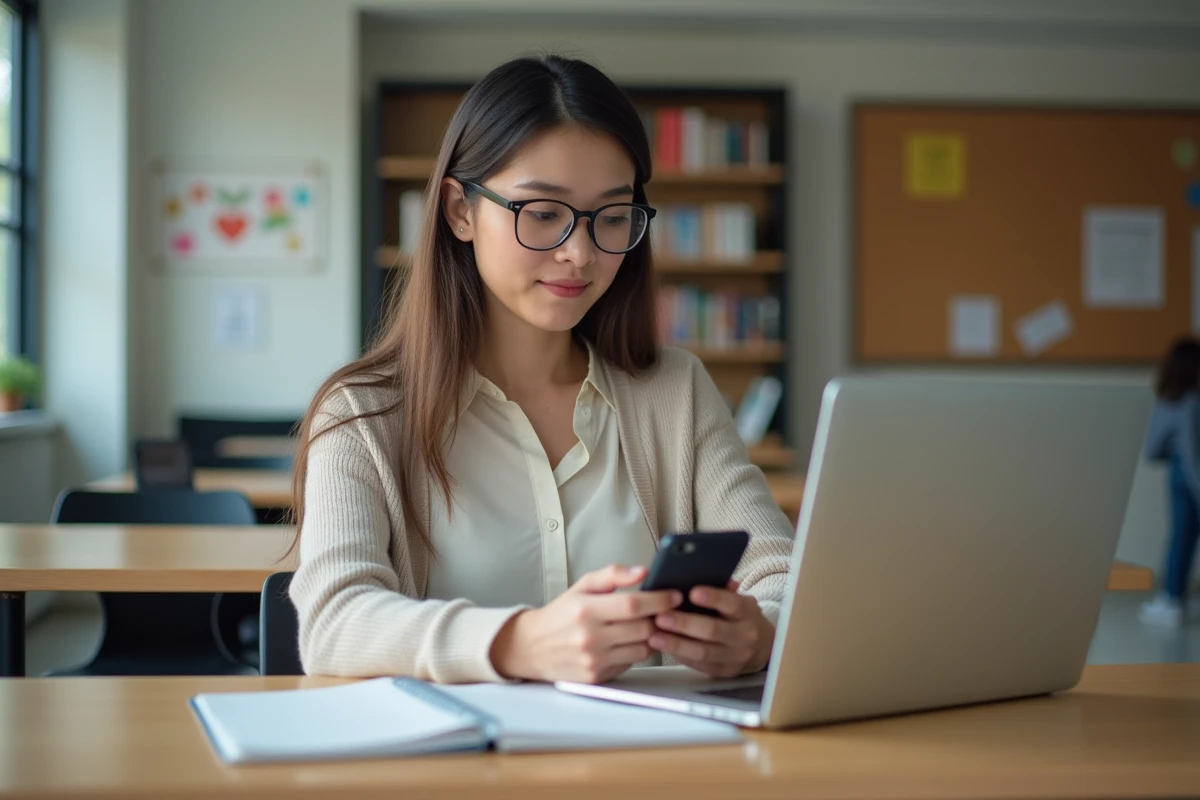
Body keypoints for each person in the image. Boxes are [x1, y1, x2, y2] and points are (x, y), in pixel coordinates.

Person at [288, 54, 794, 684]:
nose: (579, 253)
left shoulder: (675, 390)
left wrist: (762, 631)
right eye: (543, 213)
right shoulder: (362, 413)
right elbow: (334, 624)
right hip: (449, 773)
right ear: (459, 211)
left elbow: (779, 570)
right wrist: (518, 642)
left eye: (611, 217)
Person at [1139, 336, 1200, 626]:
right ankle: (1174, 596)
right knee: (1183, 537)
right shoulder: (1189, 403)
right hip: (1190, 476)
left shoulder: (1173, 402)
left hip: (1186, 475)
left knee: (1181, 537)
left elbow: (1158, 450)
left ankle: (1172, 597)